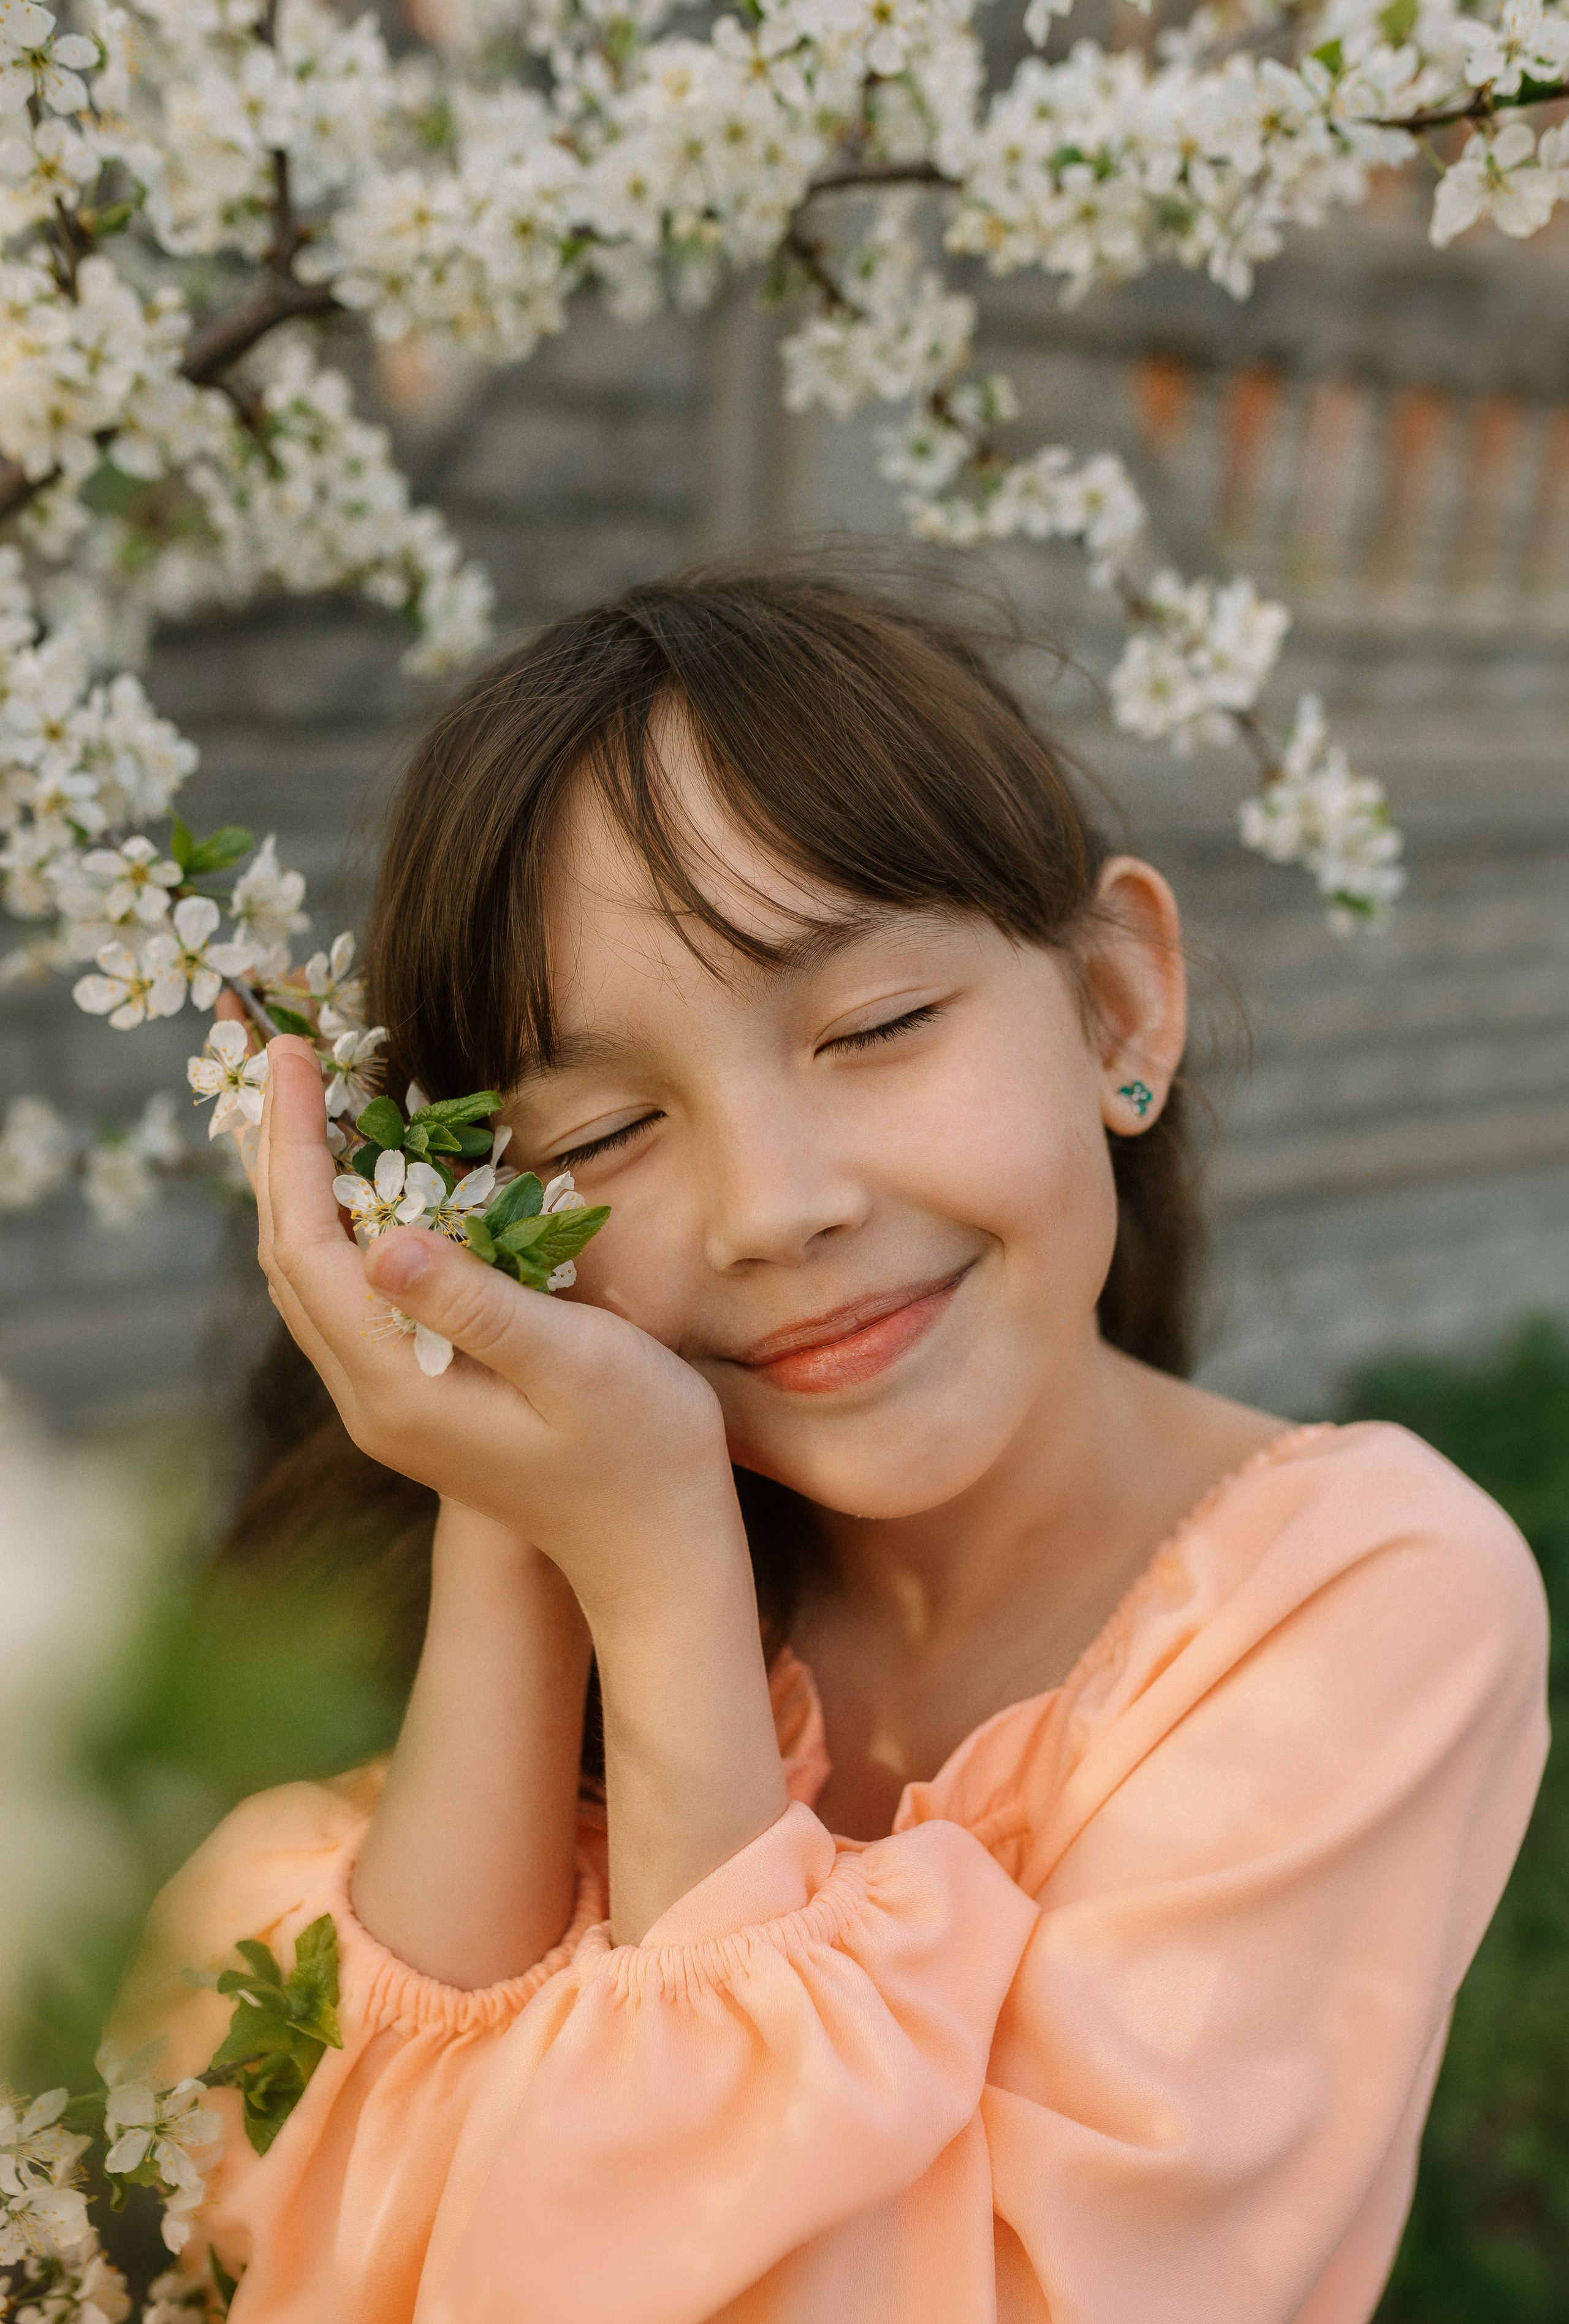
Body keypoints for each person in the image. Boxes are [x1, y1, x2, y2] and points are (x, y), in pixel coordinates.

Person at [118, 567, 1548, 2324]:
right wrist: (520, 1522)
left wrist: (659, 1602)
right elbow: (303, 2239)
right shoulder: (576, 1546)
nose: (776, 1208)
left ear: (1119, 1004)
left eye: (876, 1029)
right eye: (611, 1130)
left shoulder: (1369, 1599)